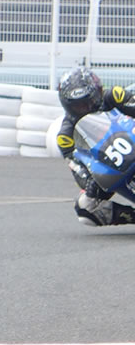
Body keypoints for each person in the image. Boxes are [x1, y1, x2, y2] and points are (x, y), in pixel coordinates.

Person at [56, 67, 135, 226]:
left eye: (88, 102)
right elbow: (78, 170)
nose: (85, 109)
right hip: (110, 166)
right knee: (85, 207)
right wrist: (90, 181)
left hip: (130, 141)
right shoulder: (66, 136)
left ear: (97, 93)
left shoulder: (115, 96)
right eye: (78, 106)